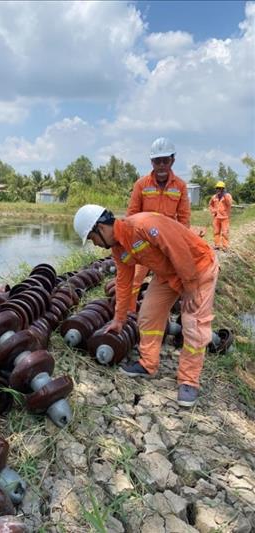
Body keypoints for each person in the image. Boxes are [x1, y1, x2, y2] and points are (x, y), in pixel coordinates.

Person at [73, 204, 219, 407]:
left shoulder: (144, 225)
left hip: (197, 268)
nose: (95, 244)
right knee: (148, 315)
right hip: (168, 275)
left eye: (92, 238)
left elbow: (180, 251)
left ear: (101, 227)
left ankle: (188, 380)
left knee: (193, 323)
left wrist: (191, 288)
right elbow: (123, 283)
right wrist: (119, 318)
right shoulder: (118, 249)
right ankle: (148, 364)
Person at [126, 137, 191, 312]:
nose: (161, 165)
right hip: (144, 242)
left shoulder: (180, 186)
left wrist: (181, 244)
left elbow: (184, 217)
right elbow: (131, 215)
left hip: (167, 241)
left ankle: (164, 315)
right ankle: (130, 314)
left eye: (165, 160)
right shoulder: (141, 184)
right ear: (151, 162)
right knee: (135, 278)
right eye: (157, 161)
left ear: (173, 160)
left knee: (170, 279)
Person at [208, 181, 233, 251]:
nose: (218, 189)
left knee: (225, 232)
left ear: (223, 189)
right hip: (216, 217)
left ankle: (225, 246)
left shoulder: (228, 196)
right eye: (217, 188)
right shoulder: (214, 197)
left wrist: (224, 195)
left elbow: (229, 204)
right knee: (216, 231)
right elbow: (210, 205)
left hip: (225, 217)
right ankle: (217, 245)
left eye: (220, 188)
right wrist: (213, 211)